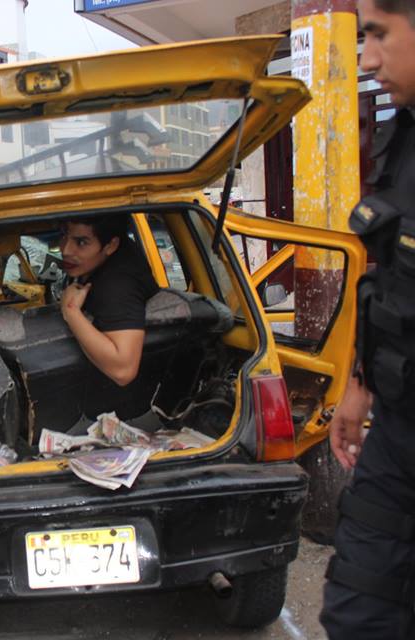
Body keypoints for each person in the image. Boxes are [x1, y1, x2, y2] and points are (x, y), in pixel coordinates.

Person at [321, 2, 415, 637]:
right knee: (358, 609)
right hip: (398, 434)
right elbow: (379, 278)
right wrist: (358, 387)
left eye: (379, 34)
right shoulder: (401, 133)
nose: (367, 59)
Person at [58, 214, 158, 416]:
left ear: (111, 245)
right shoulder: (102, 261)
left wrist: (70, 311)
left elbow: (124, 370)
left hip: (127, 408)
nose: (65, 250)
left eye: (81, 242)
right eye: (64, 237)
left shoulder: (117, 286)